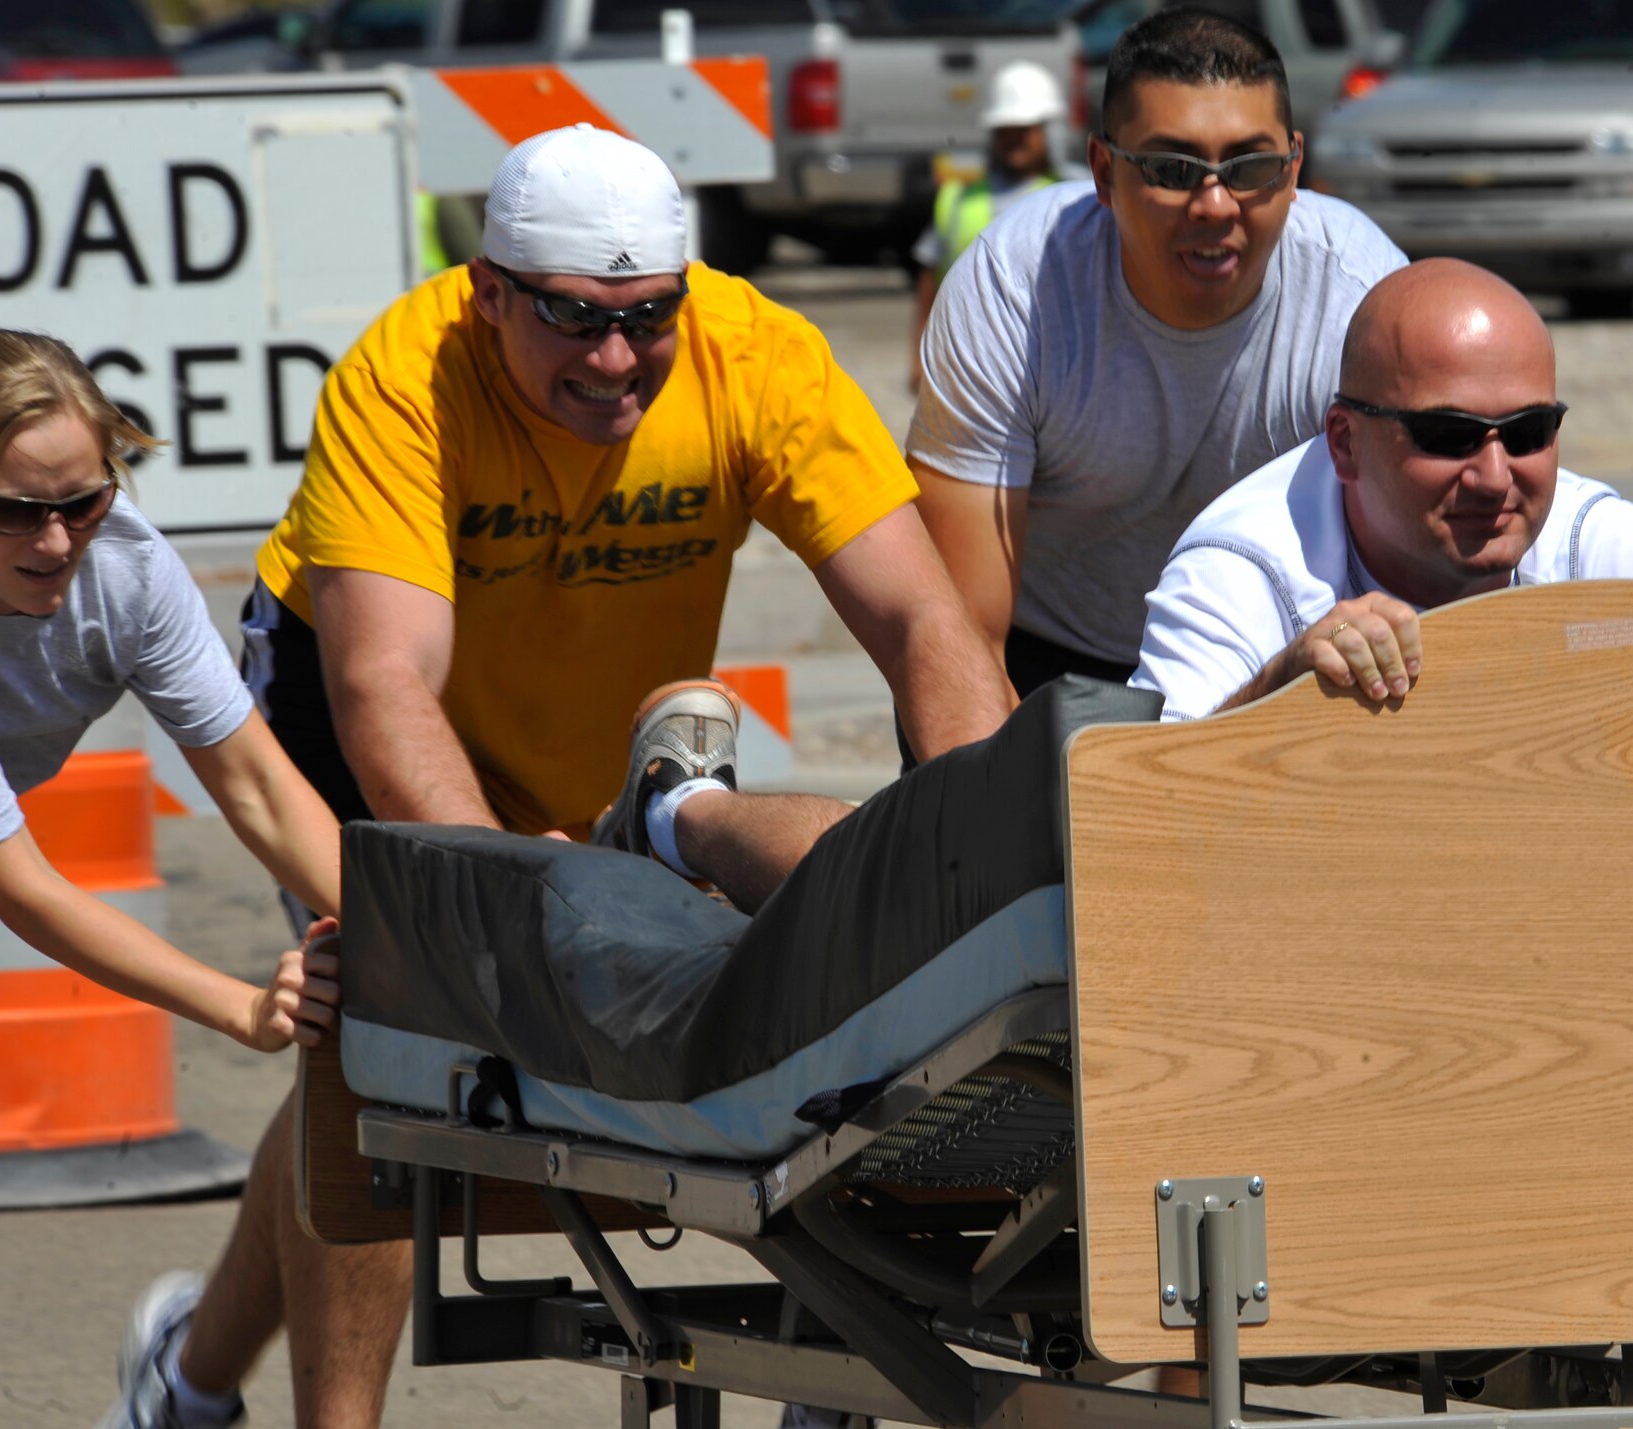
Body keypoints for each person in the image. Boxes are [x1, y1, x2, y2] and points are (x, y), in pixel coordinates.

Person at [104, 123, 1012, 1429]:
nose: (615, 358)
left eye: (646, 317)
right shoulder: (406, 374)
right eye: (576, 320)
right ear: (490, 294)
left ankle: (186, 1378)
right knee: (379, 1038)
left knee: (870, 974)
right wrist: (507, 926)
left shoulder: (757, 355)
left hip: (593, 726)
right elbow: (384, 686)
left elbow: (927, 620)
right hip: (362, 702)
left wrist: (978, 876)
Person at [906, 6, 1407, 734]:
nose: (1214, 204)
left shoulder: (1362, 299)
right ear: (1105, 173)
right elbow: (959, 635)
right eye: (1173, 170)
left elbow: (1439, 566)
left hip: (1283, 652)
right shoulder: (1014, 289)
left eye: (1251, 167)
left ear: (1295, 170)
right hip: (1046, 663)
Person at [1130, 259, 1633, 718]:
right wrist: (1281, 688)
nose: (1496, 476)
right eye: (1449, 436)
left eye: (1531, 430)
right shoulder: (1239, 570)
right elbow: (1140, 815)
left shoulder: (1601, 543)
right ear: (1346, 442)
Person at [0, 329, 340, 1116]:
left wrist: (424, 945)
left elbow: (256, 784)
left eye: (80, 502)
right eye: (12, 512)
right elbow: (27, 889)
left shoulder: (127, 566)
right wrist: (244, 1009)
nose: (55, 543)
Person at [909, 60, 1079, 391]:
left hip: (1054, 371)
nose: (1013, 140)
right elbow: (930, 280)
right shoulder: (958, 198)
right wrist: (920, 355)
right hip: (972, 368)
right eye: (1005, 130)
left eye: (1024, 130)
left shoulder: (1075, 198)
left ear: (1048, 132)